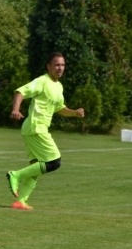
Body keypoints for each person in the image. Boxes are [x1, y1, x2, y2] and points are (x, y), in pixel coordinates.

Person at [5, 52, 84, 211]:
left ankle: (20, 201)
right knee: (54, 162)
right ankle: (15, 175)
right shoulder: (42, 81)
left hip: (34, 129)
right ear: (48, 66)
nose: (60, 68)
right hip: (36, 127)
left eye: (62, 65)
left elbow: (60, 108)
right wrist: (15, 109)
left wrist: (74, 112)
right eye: (56, 64)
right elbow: (21, 92)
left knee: (36, 167)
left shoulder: (58, 86)